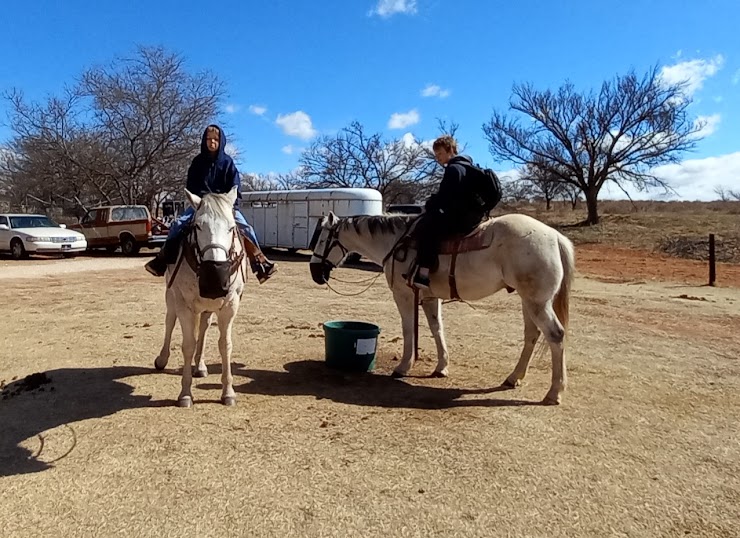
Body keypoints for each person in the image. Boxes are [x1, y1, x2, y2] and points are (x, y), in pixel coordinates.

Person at [145, 124, 277, 283]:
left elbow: (235, 187)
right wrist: (197, 202)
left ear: (221, 141)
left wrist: (232, 208)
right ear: (204, 140)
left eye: (215, 139)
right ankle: (162, 260)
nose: (212, 142)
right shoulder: (197, 162)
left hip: (224, 206)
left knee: (247, 228)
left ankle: (260, 264)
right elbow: (191, 186)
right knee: (178, 224)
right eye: (208, 139)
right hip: (201, 205)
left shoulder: (228, 163)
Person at [412, 135, 490, 289]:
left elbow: (444, 198)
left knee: (425, 228)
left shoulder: (454, 169)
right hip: (473, 216)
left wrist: (429, 205)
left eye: (440, 153)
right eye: (436, 155)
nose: (437, 158)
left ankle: (423, 273)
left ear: (450, 150)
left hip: (460, 218)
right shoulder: (469, 167)